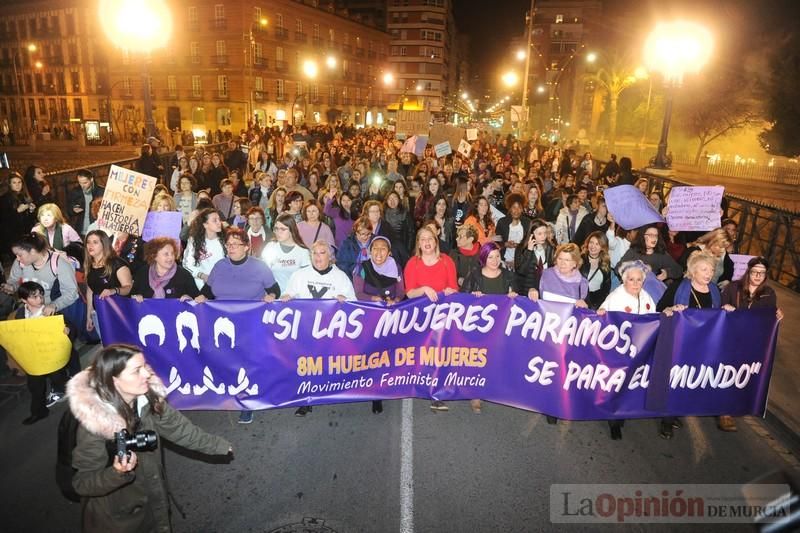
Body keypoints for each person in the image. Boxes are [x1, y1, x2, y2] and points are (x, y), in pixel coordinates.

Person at [68, 344, 232, 532]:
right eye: (137, 371)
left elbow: (180, 429)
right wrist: (117, 473)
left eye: (145, 366)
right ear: (113, 380)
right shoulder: (95, 425)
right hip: (118, 521)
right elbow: (82, 483)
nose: (147, 374)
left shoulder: (147, 400)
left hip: (152, 501)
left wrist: (218, 446)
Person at [197, 228, 280, 424]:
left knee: (246, 365)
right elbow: (207, 290)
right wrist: (201, 297)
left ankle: (247, 402)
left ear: (246, 247)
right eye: (228, 244)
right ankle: (229, 394)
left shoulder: (259, 267)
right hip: (221, 323)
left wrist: (272, 297)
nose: (231, 248)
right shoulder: (219, 266)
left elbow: (274, 289)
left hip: (249, 324)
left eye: (235, 244)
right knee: (227, 362)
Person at [284, 241, 356, 416]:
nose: (317, 257)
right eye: (314, 253)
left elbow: (354, 304)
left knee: (327, 365)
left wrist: (345, 301)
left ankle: (333, 391)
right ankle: (306, 399)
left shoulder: (341, 277)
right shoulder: (299, 275)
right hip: (306, 330)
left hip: (330, 333)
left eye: (322, 253)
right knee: (306, 365)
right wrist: (284, 297)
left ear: (330, 257)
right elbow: (287, 296)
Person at [658, 250, 722, 439]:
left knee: (689, 382)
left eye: (711, 269)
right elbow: (660, 308)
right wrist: (671, 309)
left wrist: (727, 310)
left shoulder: (715, 291)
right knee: (675, 381)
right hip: (679, 344)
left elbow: (719, 316)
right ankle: (667, 420)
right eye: (704, 269)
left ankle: (676, 412)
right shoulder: (679, 288)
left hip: (703, 345)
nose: (708, 273)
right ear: (693, 271)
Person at [718, 256, 784, 432]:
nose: (758, 276)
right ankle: (725, 412)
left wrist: (776, 316)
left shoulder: (769, 293)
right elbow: (720, 306)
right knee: (727, 374)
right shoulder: (733, 288)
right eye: (755, 272)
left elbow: (769, 316)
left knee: (742, 375)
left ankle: (734, 406)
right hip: (730, 339)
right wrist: (725, 307)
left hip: (752, 342)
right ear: (748, 272)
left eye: (762, 273)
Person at [597, 260, 658, 440]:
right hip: (618, 349)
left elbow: (653, 317)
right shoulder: (616, 297)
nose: (635, 284)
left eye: (639, 280)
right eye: (631, 280)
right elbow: (604, 313)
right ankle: (613, 420)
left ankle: (621, 412)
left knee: (629, 384)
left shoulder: (646, 297)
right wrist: (601, 312)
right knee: (616, 384)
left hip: (638, 350)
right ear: (624, 281)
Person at [403, 226, 458, 412]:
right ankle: (419, 385)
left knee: (439, 355)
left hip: (442, 315)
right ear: (418, 243)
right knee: (423, 356)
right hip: (420, 317)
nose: (426, 242)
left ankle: (437, 394)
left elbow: (454, 288)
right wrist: (424, 289)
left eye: (430, 238)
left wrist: (450, 292)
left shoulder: (447, 261)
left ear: (436, 241)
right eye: (422, 239)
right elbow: (409, 293)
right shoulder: (413, 263)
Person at [460, 242, 517, 414]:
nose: (494, 260)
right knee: (478, 360)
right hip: (479, 328)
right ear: (483, 258)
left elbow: (518, 300)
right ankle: (475, 395)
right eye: (490, 257)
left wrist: (514, 295)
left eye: (497, 256)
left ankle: (491, 388)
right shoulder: (475, 275)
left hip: (500, 327)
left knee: (495, 359)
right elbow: (463, 298)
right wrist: (472, 297)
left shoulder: (508, 275)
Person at [14, 281, 72, 424]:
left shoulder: (49, 310)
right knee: (35, 386)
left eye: (41, 295)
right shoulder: (21, 313)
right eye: (34, 297)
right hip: (34, 356)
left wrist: (67, 330)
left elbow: (67, 325)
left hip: (51, 353)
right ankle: (39, 412)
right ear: (23, 300)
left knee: (59, 379)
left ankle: (80, 399)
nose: (39, 299)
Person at [84, 230, 133, 339]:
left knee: (122, 344)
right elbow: (90, 290)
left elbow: (128, 287)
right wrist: (89, 315)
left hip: (119, 311)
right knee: (106, 346)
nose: (90, 245)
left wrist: (113, 291)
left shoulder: (117, 263)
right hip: (99, 312)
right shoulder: (89, 265)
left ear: (104, 244)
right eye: (88, 242)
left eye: (95, 242)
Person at [131, 237, 201, 301]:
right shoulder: (143, 273)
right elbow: (131, 295)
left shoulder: (184, 275)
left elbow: (197, 299)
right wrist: (136, 297)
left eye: (172, 253)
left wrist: (188, 298)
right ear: (154, 256)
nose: (170, 258)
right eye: (166, 254)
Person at [261, 213, 311, 294]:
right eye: (276, 229)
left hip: (294, 297)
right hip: (273, 296)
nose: (278, 232)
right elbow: (263, 274)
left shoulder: (303, 251)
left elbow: (306, 279)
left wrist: (291, 294)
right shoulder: (270, 247)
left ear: (292, 230)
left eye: (282, 229)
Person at [182, 208, 225, 289]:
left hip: (222, 285)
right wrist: (202, 276)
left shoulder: (226, 240)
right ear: (205, 224)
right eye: (214, 220)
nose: (219, 223)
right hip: (201, 286)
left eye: (219, 219)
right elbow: (187, 265)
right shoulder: (193, 241)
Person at [514, 218, 554, 301]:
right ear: (532, 234)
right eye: (539, 234)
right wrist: (529, 251)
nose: (543, 236)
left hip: (545, 289)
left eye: (545, 233)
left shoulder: (550, 248)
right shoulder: (521, 248)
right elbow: (521, 271)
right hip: (527, 290)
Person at [67, 169, 105, 237]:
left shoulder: (101, 192)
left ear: (91, 179)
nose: (82, 185)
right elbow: (69, 211)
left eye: (85, 183)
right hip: (80, 231)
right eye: (80, 183)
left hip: (97, 230)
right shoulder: (75, 192)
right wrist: (73, 210)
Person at [579, 231, 612, 310]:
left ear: (602, 247)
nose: (593, 246)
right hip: (580, 300)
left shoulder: (605, 262)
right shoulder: (580, 259)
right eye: (591, 242)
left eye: (597, 244)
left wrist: (598, 305)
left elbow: (606, 288)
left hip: (596, 303)